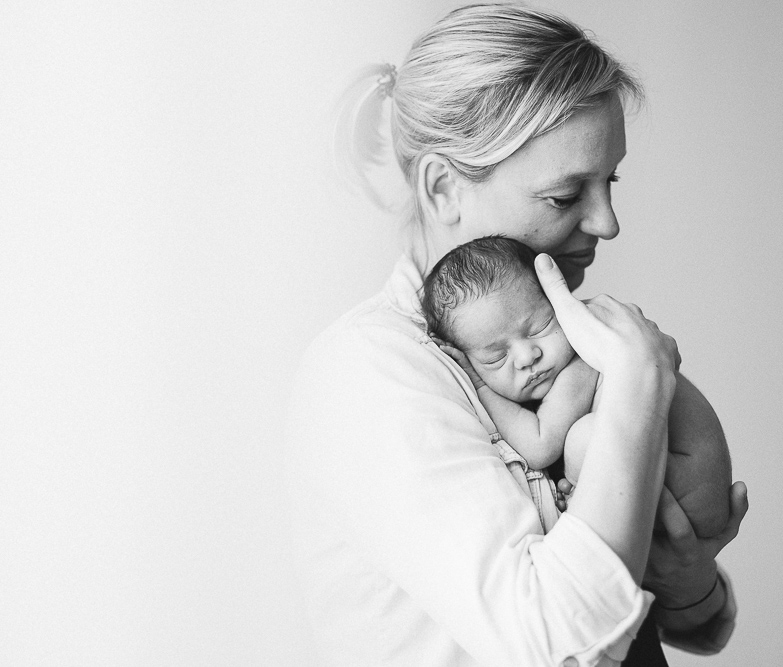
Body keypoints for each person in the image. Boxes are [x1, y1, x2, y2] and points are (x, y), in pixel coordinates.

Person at [286, 5, 748, 666]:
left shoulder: (561, 343)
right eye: (565, 195)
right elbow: (557, 647)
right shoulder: (369, 376)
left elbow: (693, 627)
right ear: (444, 189)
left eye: (610, 182)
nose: (608, 222)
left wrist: (688, 581)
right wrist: (640, 384)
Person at [421, 235, 731, 538]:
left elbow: (540, 446)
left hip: (690, 489)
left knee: (585, 437)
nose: (528, 357)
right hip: (674, 487)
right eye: (496, 357)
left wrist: (480, 384)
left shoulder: (583, 362)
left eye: (540, 327)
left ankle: (575, 505)